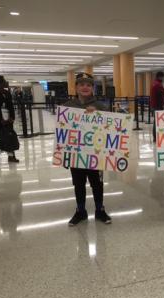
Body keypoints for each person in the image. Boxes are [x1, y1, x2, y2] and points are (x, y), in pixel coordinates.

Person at [65, 72, 112, 226]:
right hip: (76, 154)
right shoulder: (68, 106)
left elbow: (111, 129)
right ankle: (80, 211)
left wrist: (98, 115)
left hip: (96, 154)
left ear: (93, 88)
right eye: (81, 84)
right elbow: (63, 131)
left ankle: (100, 209)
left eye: (88, 85)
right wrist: (64, 154)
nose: (85, 87)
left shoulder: (101, 106)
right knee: (78, 183)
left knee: (97, 183)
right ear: (76, 87)